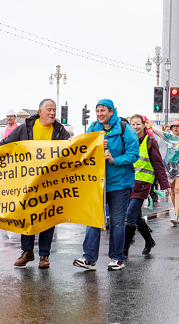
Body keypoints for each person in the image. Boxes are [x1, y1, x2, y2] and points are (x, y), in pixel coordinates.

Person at [0, 99, 70, 269]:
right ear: (40, 112)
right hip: (27, 182)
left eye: (54, 110)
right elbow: (5, 144)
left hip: (50, 182)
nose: (53, 113)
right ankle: (27, 251)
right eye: (49, 110)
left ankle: (44, 256)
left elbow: (71, 150)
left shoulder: (59, 131)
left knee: (48, 218)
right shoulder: (25, 129)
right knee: (27, 216)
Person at [73, 99, 139, 271]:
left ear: (112, 112)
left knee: (117, 222)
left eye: (103, 110)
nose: (100, 114)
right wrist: (95, 146)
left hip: (119, 184)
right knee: (93, 219)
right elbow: (83, 150)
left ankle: (117, 258)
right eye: (97, 111)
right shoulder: (93, 128)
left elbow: (133, 154)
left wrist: (114, 159)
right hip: (97, 184)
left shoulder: (125, 129)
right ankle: (89, 259)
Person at [124, 115, 170, 257]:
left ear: (144, 125)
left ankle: (124, 250)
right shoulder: (126, 141)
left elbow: (158, 164)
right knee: (136, 216)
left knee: (130, 215)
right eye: (133, 124)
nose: (136, 127)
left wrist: (164, 183)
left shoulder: (150, 142)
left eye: (138, 124)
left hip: (143, 184)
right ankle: (149, 240)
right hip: (128, 183)